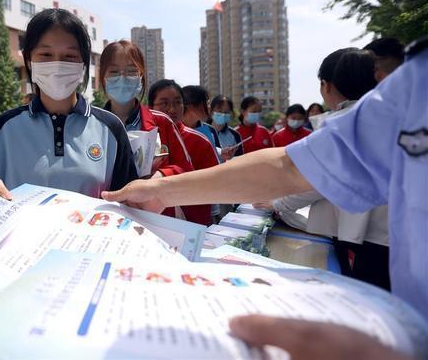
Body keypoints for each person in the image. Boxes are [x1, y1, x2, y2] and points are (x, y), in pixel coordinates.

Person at [102, 36, 428, 359]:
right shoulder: (411, 85)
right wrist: (161, 191)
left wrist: (163, 184)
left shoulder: (169, 128)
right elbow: (289, 167)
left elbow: (291, 170)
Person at [0, 9, 139, 297]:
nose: (57, 65)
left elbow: (128, 210)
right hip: (12, 277)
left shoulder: (110, 128)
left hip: (87, 277)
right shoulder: (4, 126)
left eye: (69, 56)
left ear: (84, 64)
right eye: (45, 55)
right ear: (28, 59)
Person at [256, 48, 389, 289]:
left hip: (369, 241)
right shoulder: (388, 117)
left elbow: (316, 181)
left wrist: (277, 203)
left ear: (326, 86)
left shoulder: (343, 127)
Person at [99, 40, 193, 181]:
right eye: (114, 72)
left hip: (152, 202)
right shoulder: (91, 123)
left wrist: (161, 175)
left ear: (141, 78)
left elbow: (186, 168)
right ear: (103, 78)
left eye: (131, 71)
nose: (123, 77)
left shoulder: (162, 122)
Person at [149, 79, 219, 225]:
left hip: (191, 225)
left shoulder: (201, 141)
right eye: (164, 103)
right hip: (150, 222)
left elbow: (213, 183)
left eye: (177, 102)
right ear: (151, 107)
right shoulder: (144, 138)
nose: (172, 109)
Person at [209, 95, 244, 161]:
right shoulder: (202, 131)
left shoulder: (235, 135)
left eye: (226, 112)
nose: (223, 114)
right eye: (219, 111)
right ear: (211, 111)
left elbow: (239, 160)